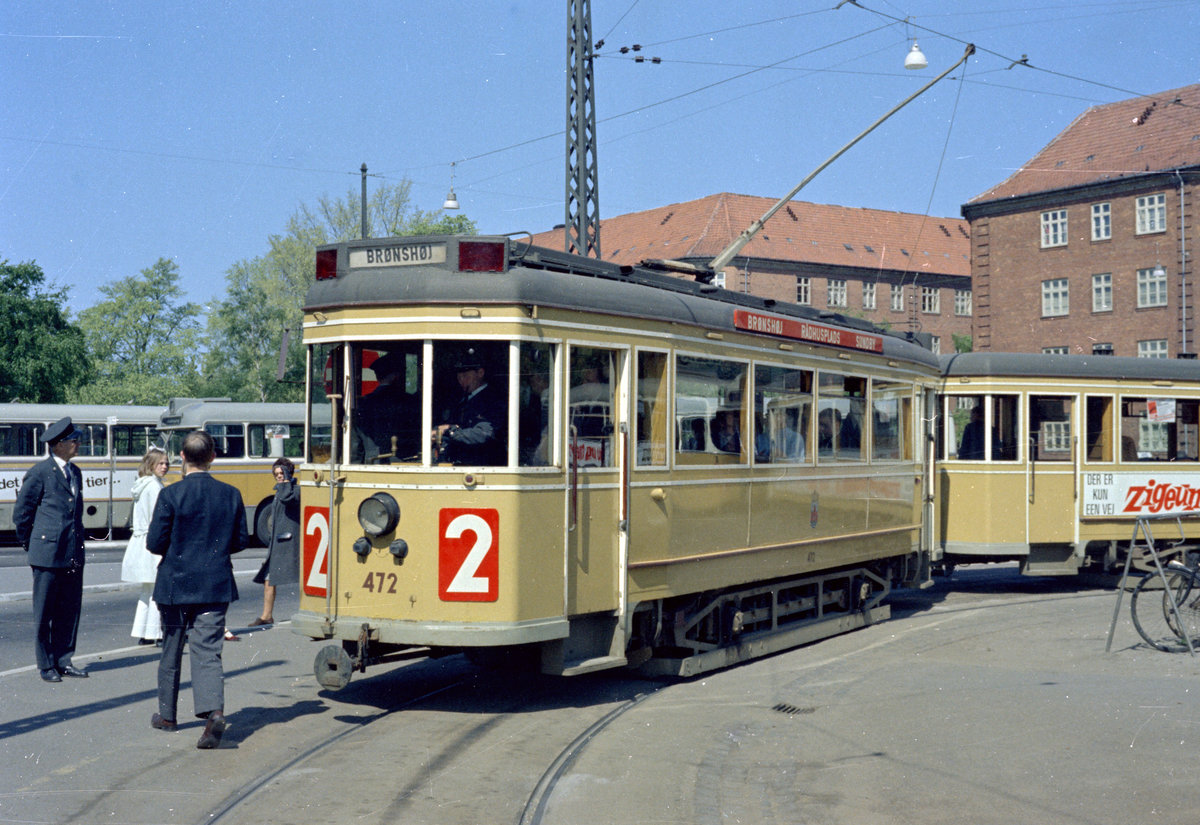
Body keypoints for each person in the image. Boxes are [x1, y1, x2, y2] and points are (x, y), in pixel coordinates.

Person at [147, 430, 248, 750]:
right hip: (215, 584)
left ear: (182, 457)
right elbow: (240, 541)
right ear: (213, 458)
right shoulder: (231, 494)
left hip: (175, 586)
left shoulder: (171, 495)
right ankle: (213, 712)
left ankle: (167, 715)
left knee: (172, 649)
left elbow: (154, 543)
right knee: (208, 652)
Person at [12, 417, 89, 683]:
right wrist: (32, 544)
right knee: (45, 611)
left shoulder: (75, 471)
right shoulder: (40, 472)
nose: (78, 444)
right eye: (73, 440)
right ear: (57, 445)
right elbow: (22, 514)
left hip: (72, 552)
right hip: (47, 553)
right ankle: (46, 664)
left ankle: (64, 659)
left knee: (69, 609)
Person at [120, 448, 170, 645]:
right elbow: (158, 519)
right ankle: (156, 633)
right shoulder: (155, 487)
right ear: (151, 465)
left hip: (140, 543)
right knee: (158, 589)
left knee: (147, 590)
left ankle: (144, 631)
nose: (165, 467)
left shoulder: (141, 485)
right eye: (161, 463)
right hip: (152, 542)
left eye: (166, 463)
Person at [433, 348, 507, 465]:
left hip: (484, 464)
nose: (462, 381)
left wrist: (449, 431)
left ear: (480, 373)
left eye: (465, 376)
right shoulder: (462, 399)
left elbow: (484, 434)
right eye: (459, 377)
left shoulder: (492, 400)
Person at [249, 457, 299, 627]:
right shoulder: (280, 491)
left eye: (281, 473)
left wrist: (286, 482)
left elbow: (288, 499)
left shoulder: (294, 490)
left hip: (291, 545)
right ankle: (266, 615)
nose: (278, 476)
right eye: (276, 473)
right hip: (278, 545)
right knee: (269, 579)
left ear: (289, 473)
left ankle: (308, 611)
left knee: (301, 579)